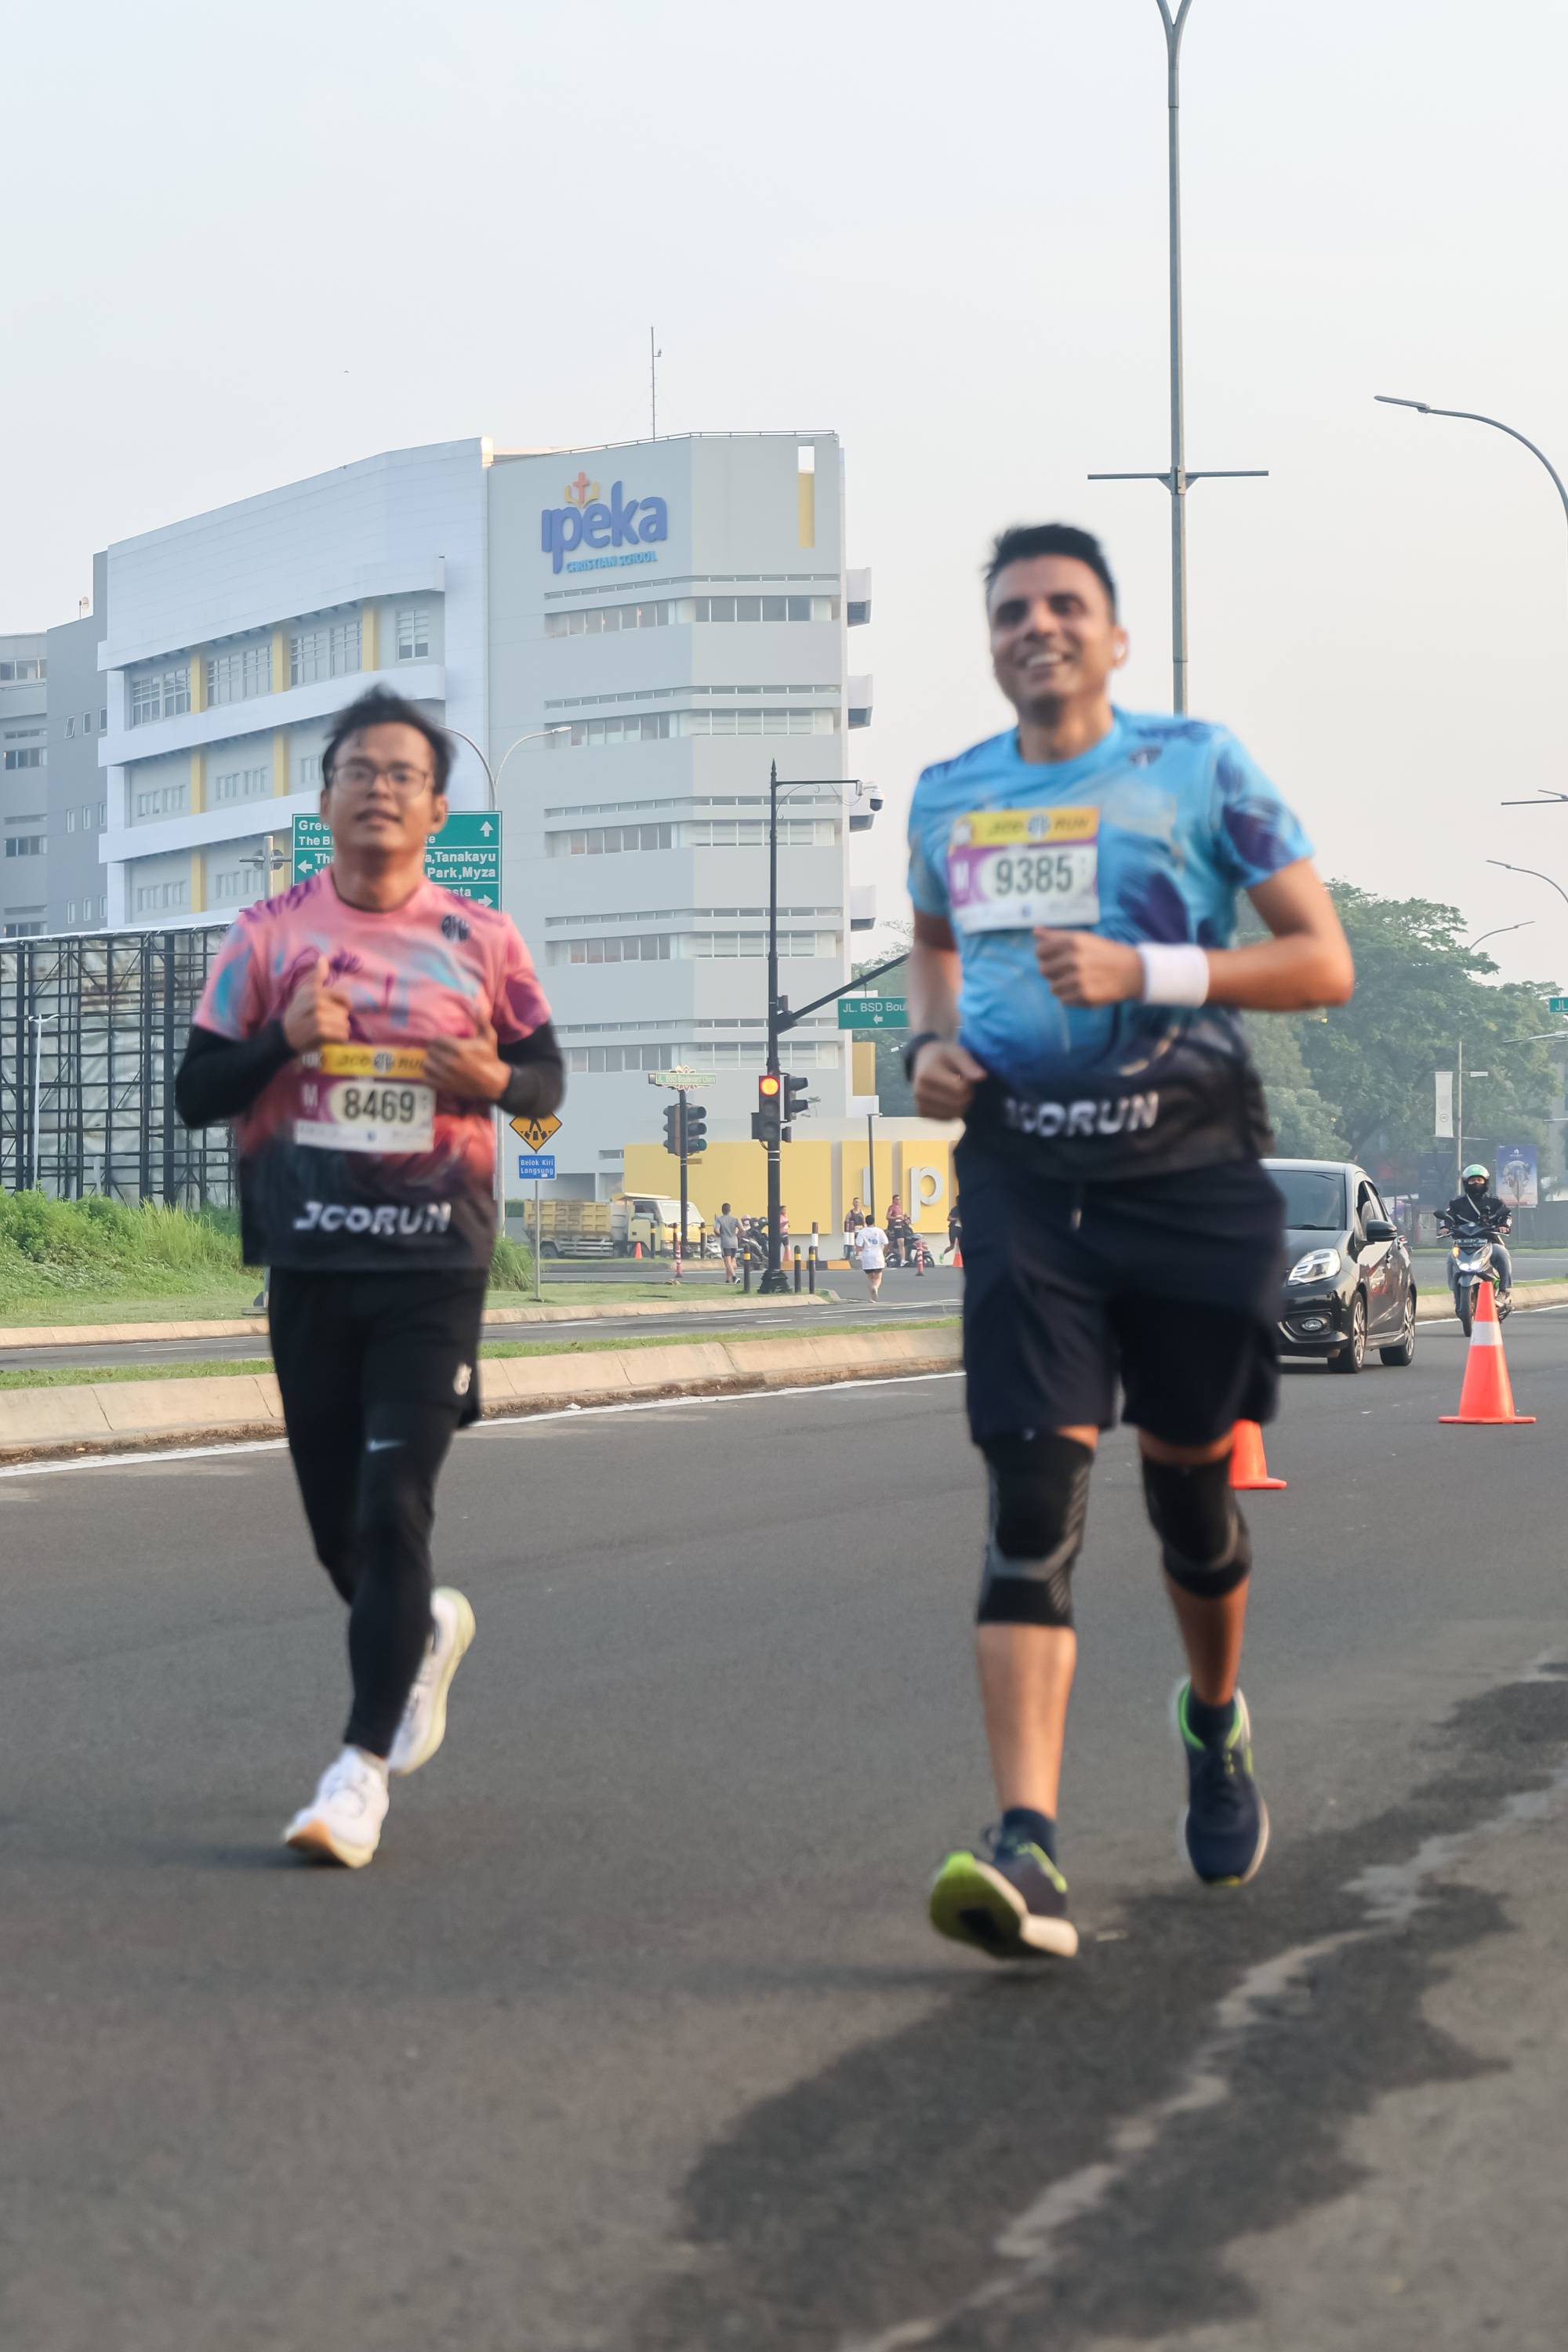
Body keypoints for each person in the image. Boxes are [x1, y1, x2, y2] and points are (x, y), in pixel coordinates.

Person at [909, 524, 1352, 1962]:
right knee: (1031, 1500)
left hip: (1188, 1175)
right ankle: (1026, 1844)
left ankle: (1213, 1724)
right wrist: (927, 1046)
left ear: (1113, 637)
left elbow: (1321, 960)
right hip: (1026, 1179)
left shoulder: (1199, 767)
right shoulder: (951, 794)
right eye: (1012, 611)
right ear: (992, 643)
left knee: (1189, 1502)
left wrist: (1144, 966)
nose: (1037, 627)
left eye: (1065, 606)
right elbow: (932, 943)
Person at [175, 687, 564, 1869]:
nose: (380, 788)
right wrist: (283, 1039)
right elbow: (195, 1093)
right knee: (341, 1535)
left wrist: (493, 1082)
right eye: (360, 769)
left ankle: (357, 1774)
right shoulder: (265, 936)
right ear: (327, 796)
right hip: (308, 1257)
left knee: (396, 1506)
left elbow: (544, 1080)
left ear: (438, 808)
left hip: (434, 1259)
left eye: (404, 773)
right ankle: (422, 1629)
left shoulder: (483, 941)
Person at [1442, 1164, 1513, 1301]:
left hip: (1489, 1242)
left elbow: (1506, 1215)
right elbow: (1448, 1217)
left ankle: (1504, 1289)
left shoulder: (1495, 1201)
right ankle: (1454, 1290)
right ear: (1466, 1183)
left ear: (1486, 1182)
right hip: (1462, 1244)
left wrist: (1504, 1225)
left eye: (1479, 1180)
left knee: (1502, 1253)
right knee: (1450, 1256)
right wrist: (1445, 1227)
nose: (1476, 1183)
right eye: (1472, 1180)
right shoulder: (1457, 1203)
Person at [855, 1216, 889, 1298]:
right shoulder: (879, 1231)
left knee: (870, 1277)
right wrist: (884, 1253)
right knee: (879, 1276)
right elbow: (886, 1243)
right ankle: (875, 1287)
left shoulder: (862, 1232)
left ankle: (872, 1296)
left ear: (866, 1222)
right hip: (878, 1255)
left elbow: (859, 1245)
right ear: (874, 1221)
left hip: (867, 1256)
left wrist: (858, 1254)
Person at [714, 1200, 742, 1284]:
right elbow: (742, 1229)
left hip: (726, 1242)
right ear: (730, 1210)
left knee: (727, 1262)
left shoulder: (720, 1219)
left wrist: (720, 1235)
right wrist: (737, 1236)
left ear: (722, 1210)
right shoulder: (735, 1219)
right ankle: (727, 1279)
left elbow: (716, 1230)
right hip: (734, 1242)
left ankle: (734, 1277)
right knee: (731, 1262)